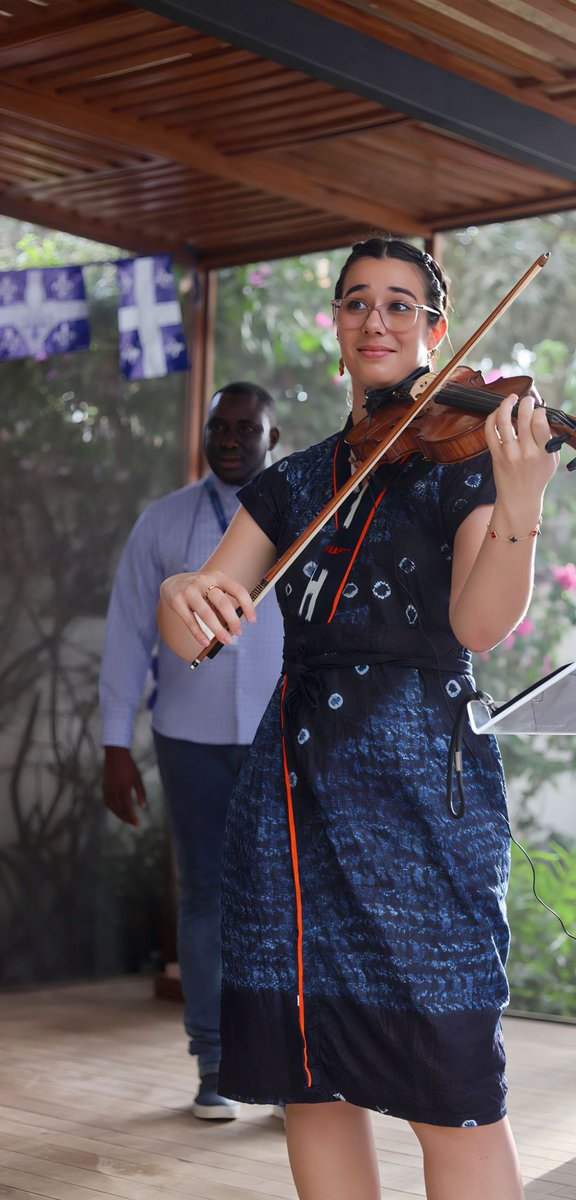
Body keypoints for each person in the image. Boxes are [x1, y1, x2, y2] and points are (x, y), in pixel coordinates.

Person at [157, 237, 559, 1199]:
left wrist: (521, 503)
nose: (376, 320)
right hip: (291, 806)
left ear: (436, 329)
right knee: (314, 1085)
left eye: (400, 304)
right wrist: (180, 593)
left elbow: (479, 623)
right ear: (336, 324)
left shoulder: (469, 464)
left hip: (422, 803)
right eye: (356, 302)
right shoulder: (294, 482)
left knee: (455, 1091)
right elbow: (199, 620)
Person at [99, 382, 283, 1119]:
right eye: (219, 427)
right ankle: (214, 1064)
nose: (230, 439)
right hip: (189, 740)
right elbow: (127, 634)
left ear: (273, 438)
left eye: (246, 428)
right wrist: (116, 744)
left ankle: (283, 1071)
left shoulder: (301, 513)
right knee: (204, 897)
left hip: (278, 737)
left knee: (281, 901)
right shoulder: (163, 521)